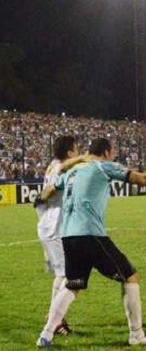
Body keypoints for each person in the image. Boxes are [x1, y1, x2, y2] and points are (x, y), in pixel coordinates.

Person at [36, 138, 146, 348]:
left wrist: (39, 200)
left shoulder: (71, 172)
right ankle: (137, 335)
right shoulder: (103, 166)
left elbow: (48, 191)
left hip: (68, 235)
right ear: (106, 152)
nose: (114, 156)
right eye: (113, 152)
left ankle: (45, 336)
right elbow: (144, 179)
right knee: (130, 277)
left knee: (72, 286)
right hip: (91, 234)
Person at [35, 136, 82, 335]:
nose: (78, 151)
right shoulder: (58, 167)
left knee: (61, 274)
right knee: (69, 276)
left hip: (49, 225)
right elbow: (62, 170)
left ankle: (54, 317)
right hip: (53, 227)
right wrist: (86, 158)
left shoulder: (53, 165)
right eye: (76, 148)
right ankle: (55, 321)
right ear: (69, 152)